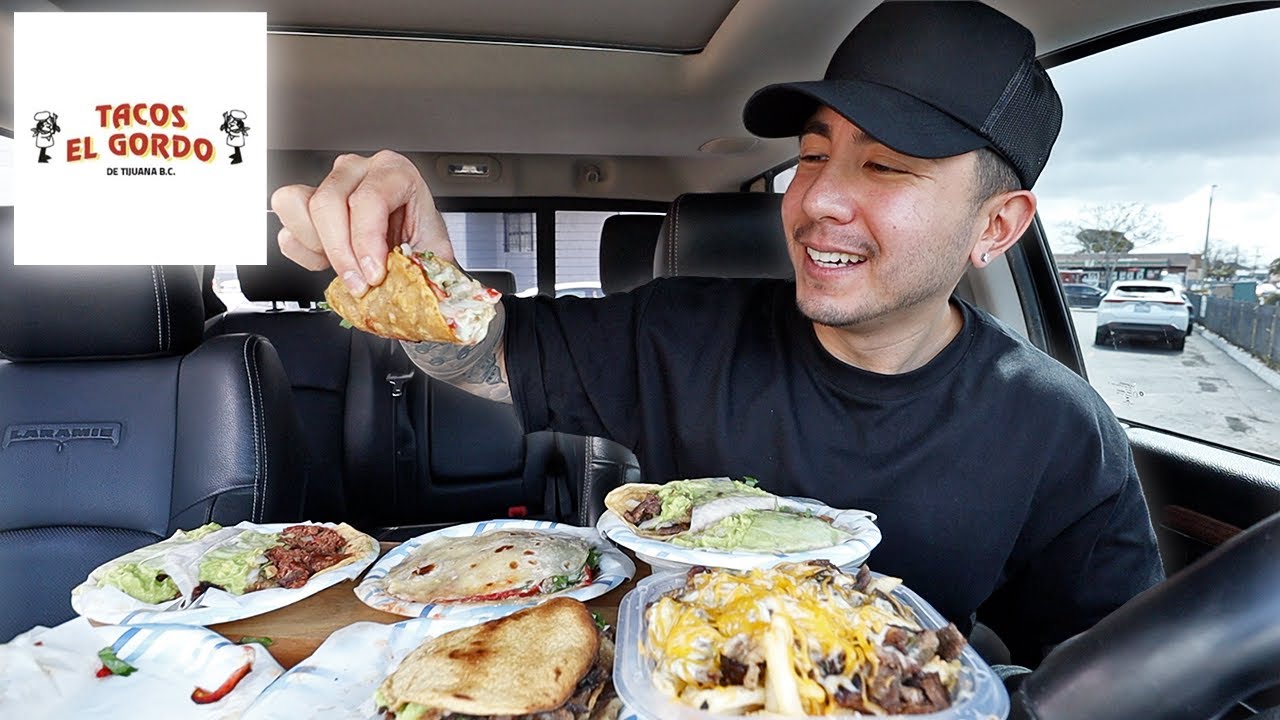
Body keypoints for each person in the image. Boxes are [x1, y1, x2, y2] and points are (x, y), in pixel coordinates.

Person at [271, 1, 1163, 666]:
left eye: (886, 165)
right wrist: (417, 270)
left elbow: (1117, 673)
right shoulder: (682, 328)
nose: (819, 200)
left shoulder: (1057, 429)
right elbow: (475, 353)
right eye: (813, 154)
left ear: (997, 227)